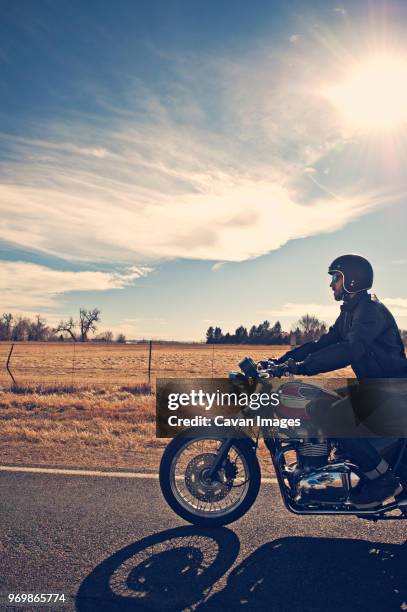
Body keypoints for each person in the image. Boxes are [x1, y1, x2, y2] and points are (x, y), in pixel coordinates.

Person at [268, 254, 407, 507]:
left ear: (352, 281)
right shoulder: (351, 312)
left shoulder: (369, 311)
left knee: (333, 418)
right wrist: (281, 362)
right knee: (319, 403)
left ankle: (381, 480)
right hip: (375, 386)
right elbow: (323, 343)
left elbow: (349, 350)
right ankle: (343, 462)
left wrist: (302, 367)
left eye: (336, 278)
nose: (332, 284)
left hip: (391, 389)